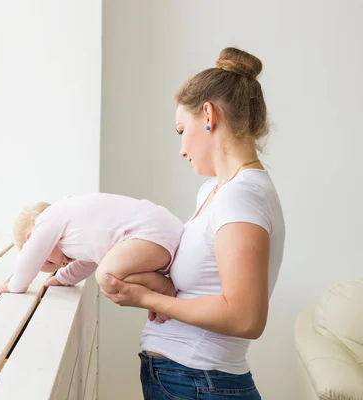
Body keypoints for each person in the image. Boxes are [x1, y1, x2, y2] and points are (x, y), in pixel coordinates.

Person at [100, 47, 285, 399]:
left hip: (199, 381)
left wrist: (147, 298)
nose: (182, 148)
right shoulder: (215, 192)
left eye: (181, 129)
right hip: (189, 380)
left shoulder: (240, 197)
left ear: (209, 115)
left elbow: (246, 317)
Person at [0, 193, 184, 297]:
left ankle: (164, 288)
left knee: (106, 276)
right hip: (161, 229)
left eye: (50, 263)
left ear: (33, 238)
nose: (63, 264)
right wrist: (63, 278)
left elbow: (28, 259)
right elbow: (89, 261)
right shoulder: (75, 224)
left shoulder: (48, 219)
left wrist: (15, 285)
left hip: (149, 236)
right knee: (107, 266)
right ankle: (163, 287)